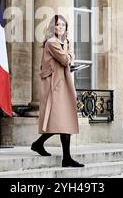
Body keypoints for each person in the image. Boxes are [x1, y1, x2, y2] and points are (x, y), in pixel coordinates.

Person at [30, 15, 84, 168]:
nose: (60, 27)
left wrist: (68, 53)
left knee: (63, 120)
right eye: (57, 25)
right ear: (52, 28)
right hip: (55, 85)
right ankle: (63, 157)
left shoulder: (62, 43)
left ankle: (40, 145)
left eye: (63, 25)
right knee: (61, 120)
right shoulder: (52, 43)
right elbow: (66, 60)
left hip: (62, 83)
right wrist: (69, 52)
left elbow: (67, 60)